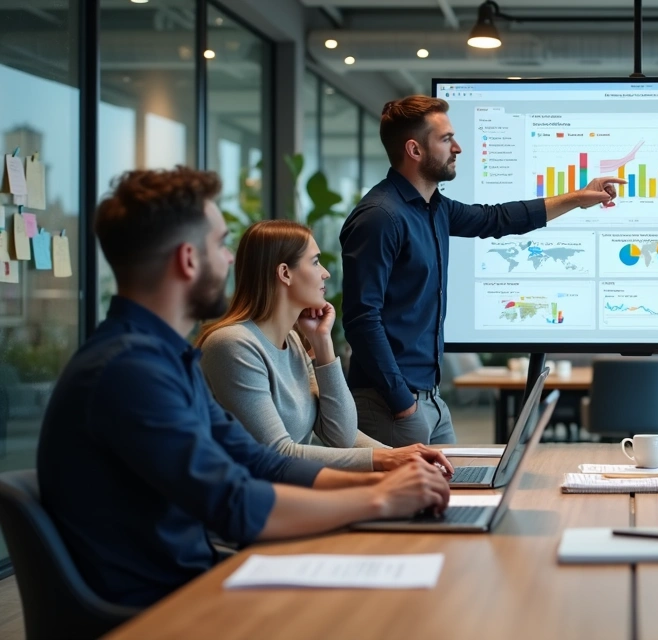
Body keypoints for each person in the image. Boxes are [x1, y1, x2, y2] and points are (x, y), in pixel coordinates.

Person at [37, 167, 453, 608]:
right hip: (157, 608)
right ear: (188, 259)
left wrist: (387, 481)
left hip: (193, 580)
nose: (231, 260)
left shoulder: (163, 357)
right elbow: (235, 504)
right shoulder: (129, 370)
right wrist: (378, 498)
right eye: (220, 244)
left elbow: (260, 461)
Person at [341, 96, 624, 447]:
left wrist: (578, 198)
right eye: (445, 139)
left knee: (454, 494)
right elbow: (361, 318)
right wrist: (403, 403)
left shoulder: (433, 208)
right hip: (391, 404)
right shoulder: (380, 217)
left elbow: (497, 219)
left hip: (428, 400)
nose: (457, 147)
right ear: (414, 150)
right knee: (410, 501)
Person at [197, 220, 447, 472]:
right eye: (315, 262)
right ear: (285, 273)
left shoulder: (293, 342)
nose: (325, 273)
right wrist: (387, 460)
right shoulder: (232, 345)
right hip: (251, 505)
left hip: (291, 495)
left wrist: (322, 343)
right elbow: (276, 452)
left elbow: (342, 436)